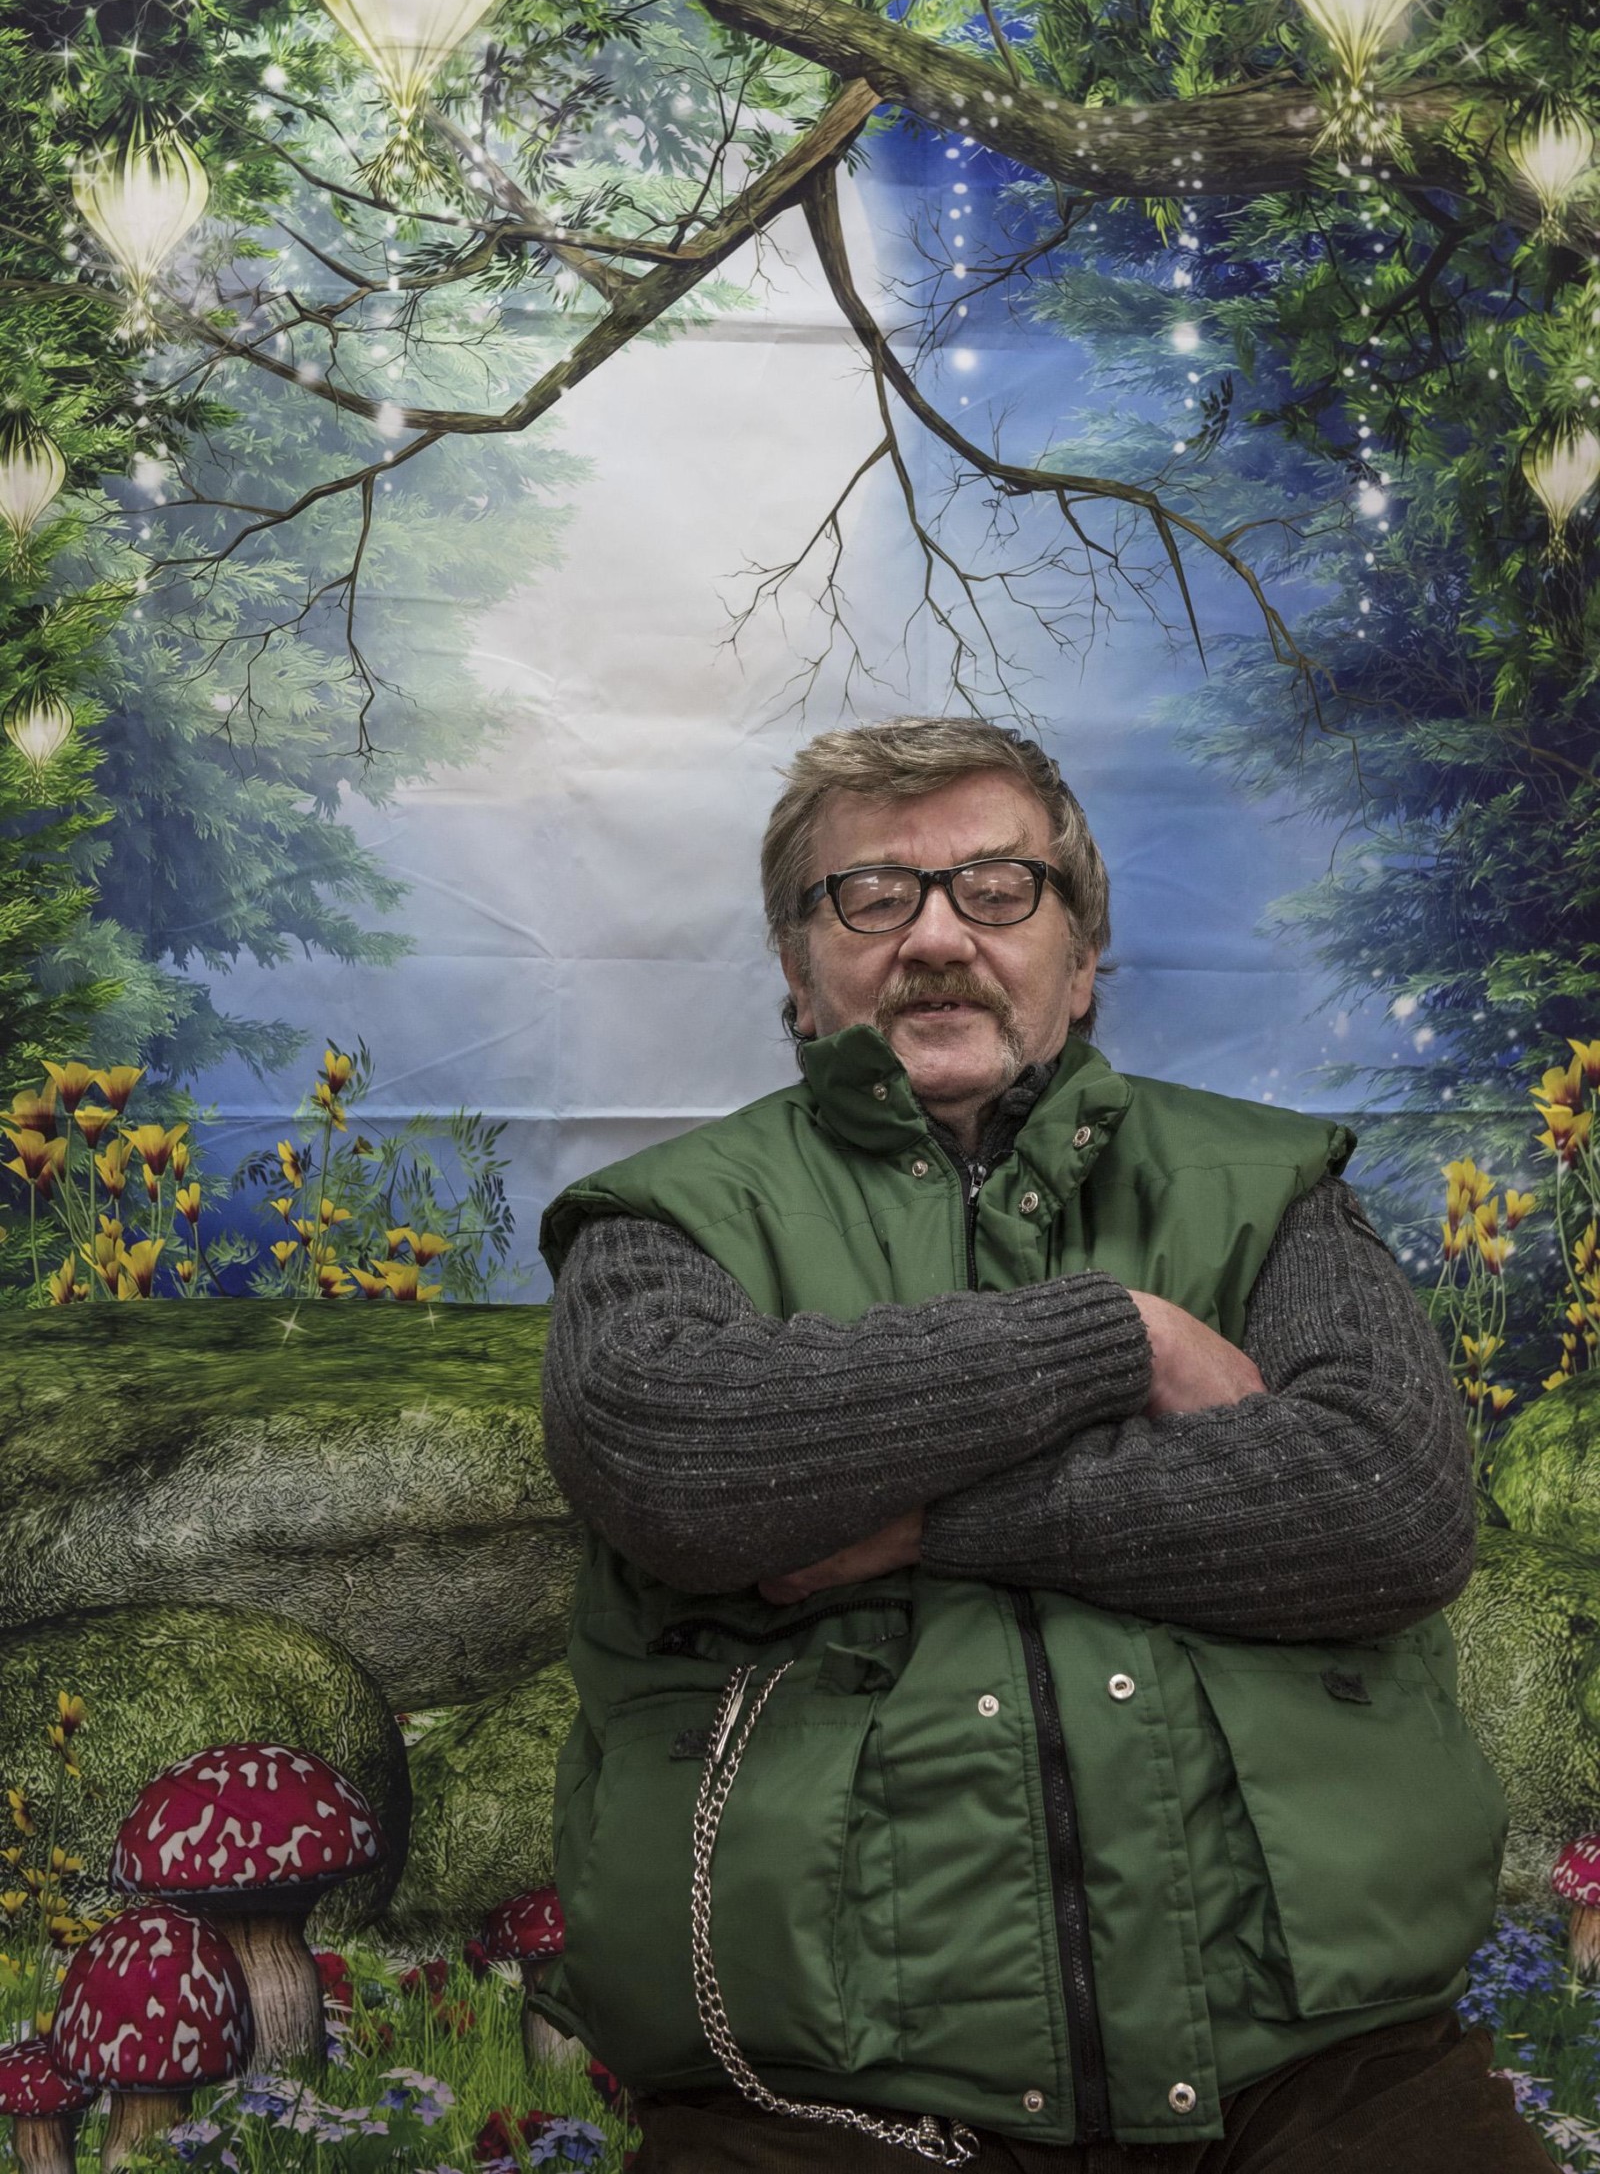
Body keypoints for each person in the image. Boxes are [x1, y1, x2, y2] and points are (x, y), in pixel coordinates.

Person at [536, 717, 1540, 2173]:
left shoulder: (1270, 1190)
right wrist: (1117, 1338)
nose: (937, 935)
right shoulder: (668, 1219)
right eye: (871, 895)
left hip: (1330, 2072)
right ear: (797, 975)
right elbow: (683, 1461)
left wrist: (928, 1519)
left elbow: (1386, 1500)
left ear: (1082, 961)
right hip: (826, 2105)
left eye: (999, 888)